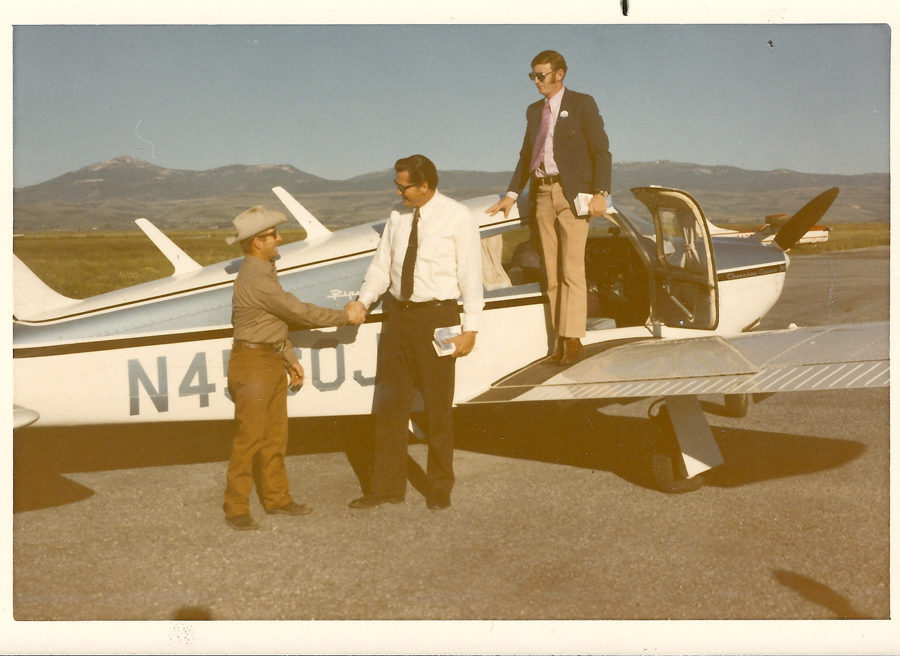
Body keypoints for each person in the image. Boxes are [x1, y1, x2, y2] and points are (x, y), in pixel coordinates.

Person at [345, 155, 482, 511]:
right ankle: (386, 488)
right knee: (390, 407)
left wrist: (471, 329)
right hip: (399, 318)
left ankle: (439, 488)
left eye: (403, 186)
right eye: (397, 185)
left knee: (438, 410)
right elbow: (382, 267)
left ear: (425, 186)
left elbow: (470, 275)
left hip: (438, 318)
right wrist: (363, 301)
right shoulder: (398, 216)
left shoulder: (458, 217)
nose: (398, 192)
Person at [223, 206, 365, 531]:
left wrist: (289, 357)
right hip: (254, 366)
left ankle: (277, 499)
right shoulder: (256, 278)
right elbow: (299, 312)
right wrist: (346, 317)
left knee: (275, 438)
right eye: (273, 234)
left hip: (268, 361)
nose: (279, 239)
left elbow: (271, 322)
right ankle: (236, 508)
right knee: (250, 440)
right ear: (258, 242)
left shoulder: (264, 272)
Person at [487, 50, 612, 364]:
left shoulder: (582, 103)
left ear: (560, 74)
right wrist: (512, 194)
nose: (536, 81)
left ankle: (573, 339)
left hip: (572, 196)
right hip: (542, 194)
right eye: (533, 75)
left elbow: (601, 151)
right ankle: (559, 340)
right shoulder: (534, 111)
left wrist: (601, 192)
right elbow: (526, 155)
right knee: (552, 272)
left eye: (541, 75)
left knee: (572, 269)